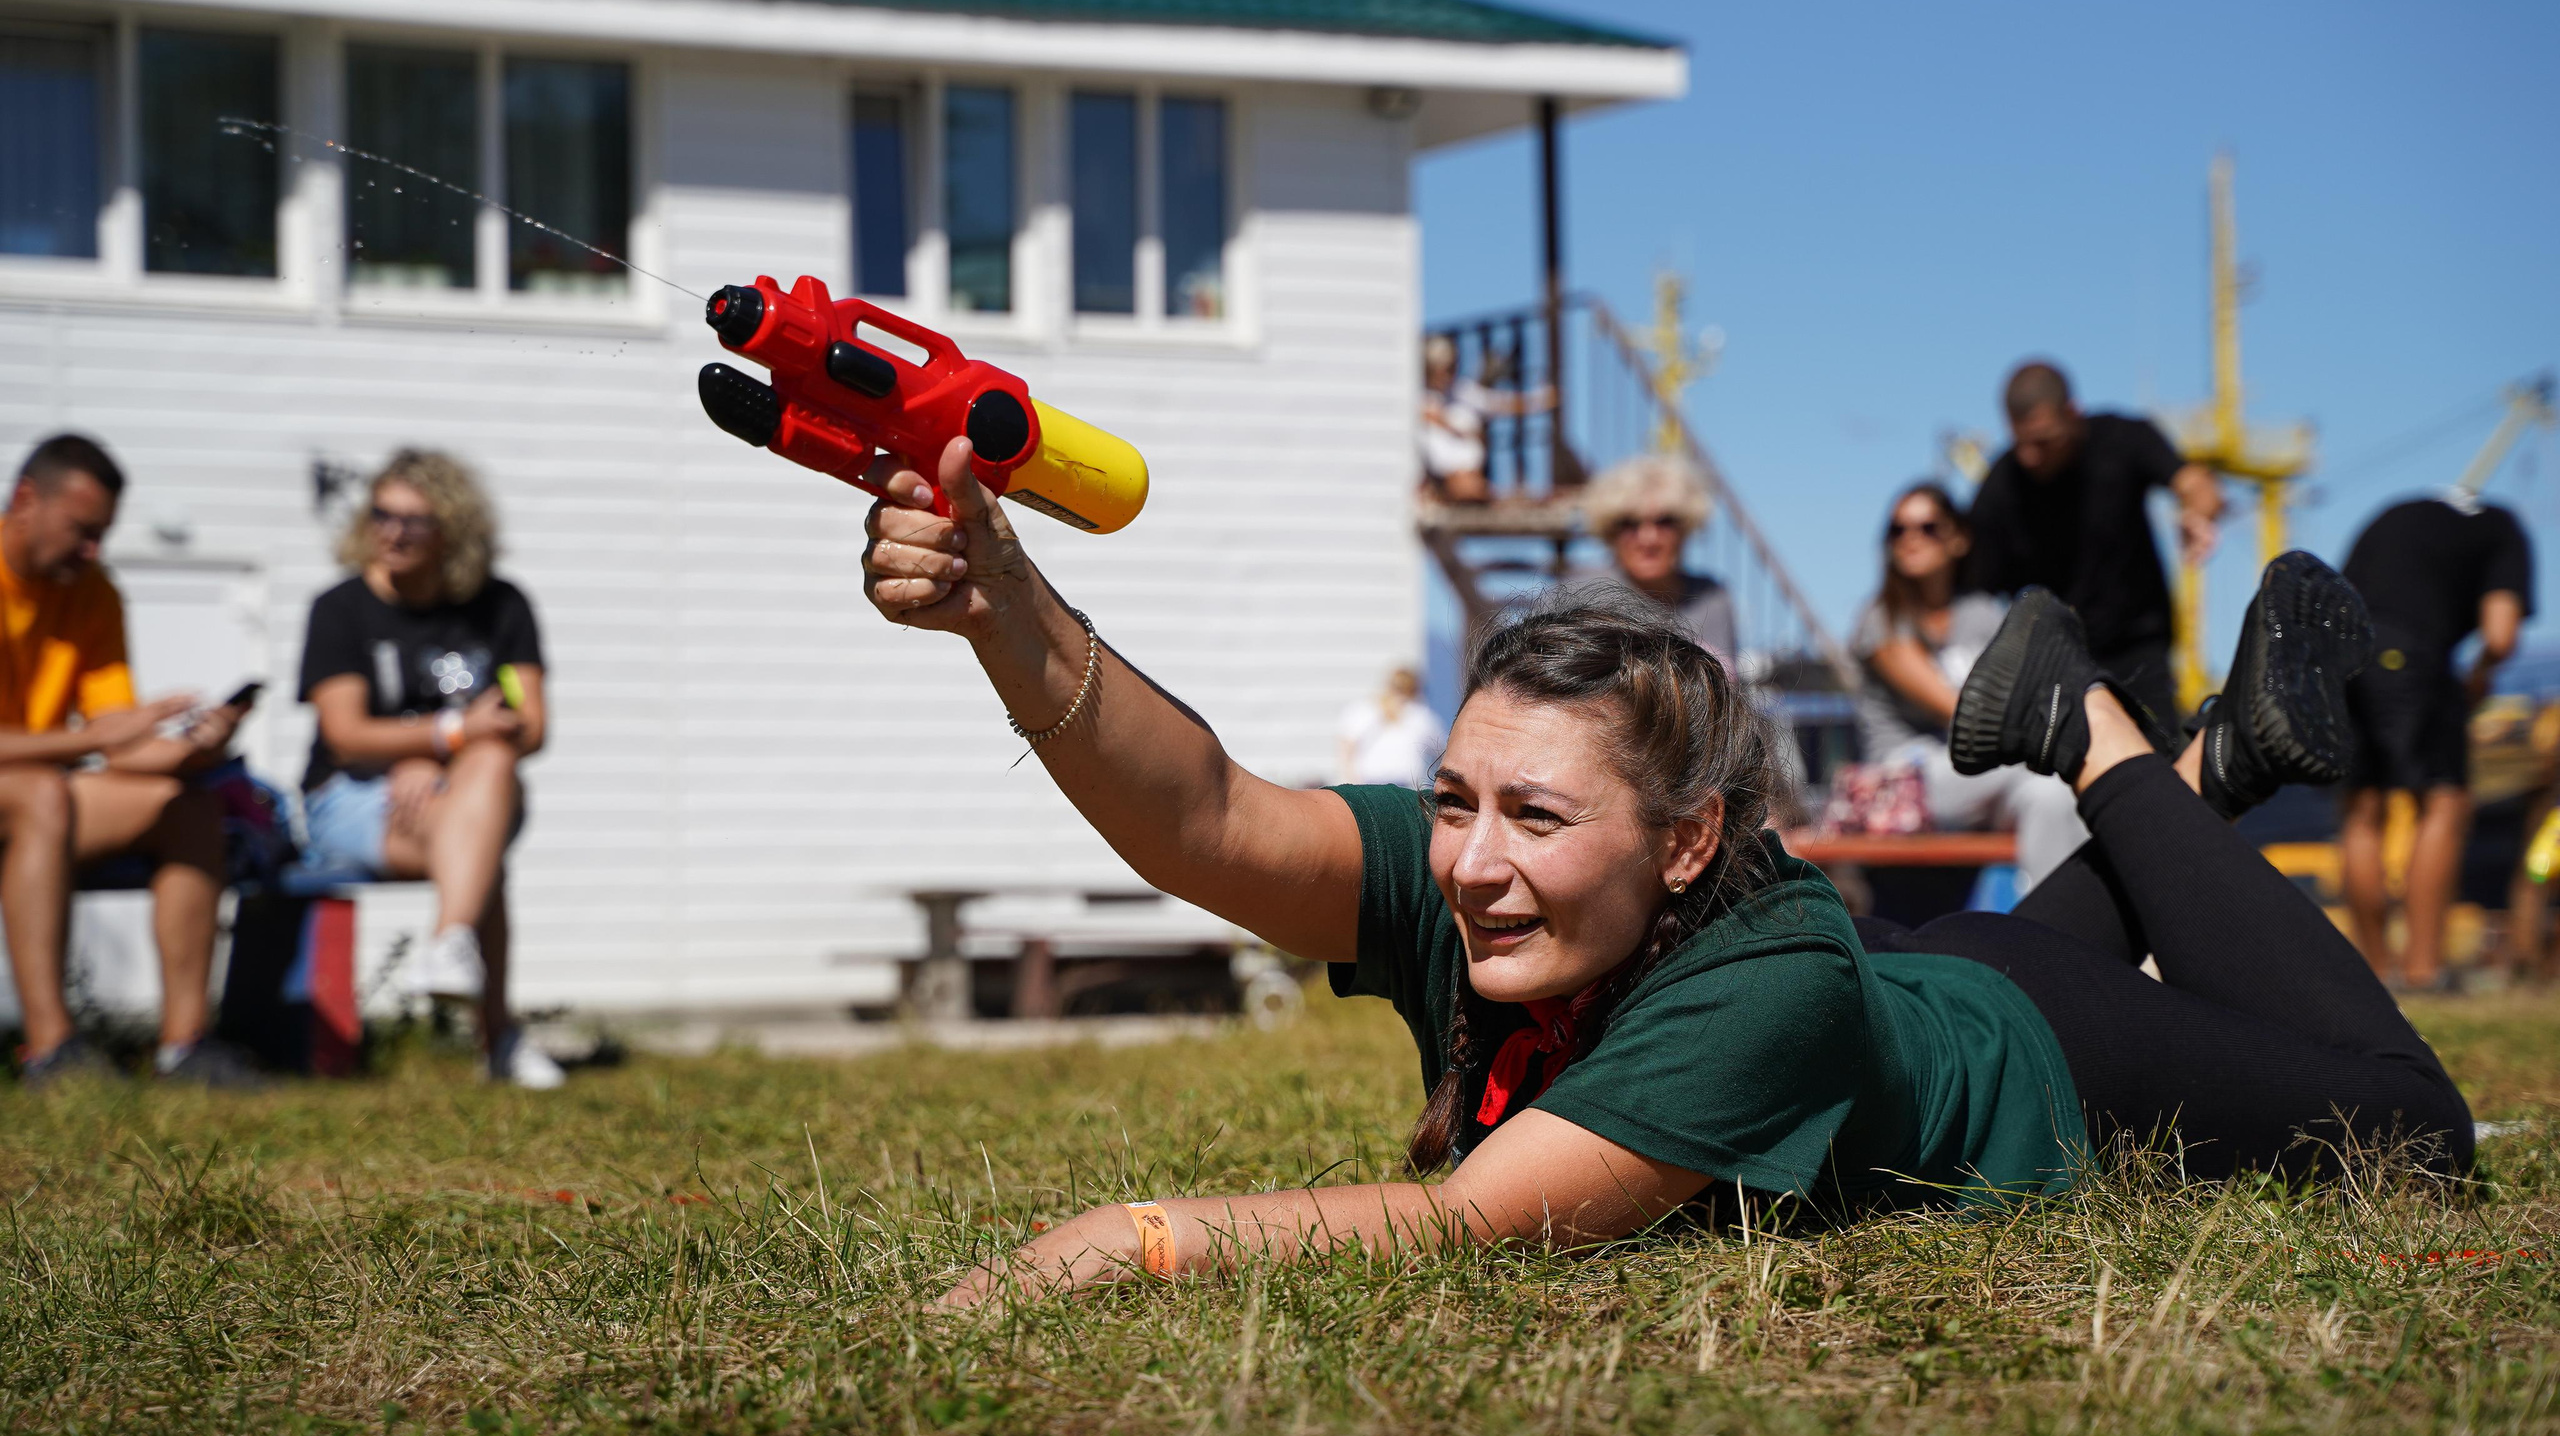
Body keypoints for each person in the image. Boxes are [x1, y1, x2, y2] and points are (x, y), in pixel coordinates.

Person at [861, 441, 2466, 1305]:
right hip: (1926, 989)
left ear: (1688, 836)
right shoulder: (1485, 871)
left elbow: (1469, 1223)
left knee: (2417, 1130)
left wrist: (1130, 1237)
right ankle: (2222, 768)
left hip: (2050, 1051)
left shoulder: (1767, 978)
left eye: (1538, 818)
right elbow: (1207, 811)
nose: (1475, 862)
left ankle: (2096, 727)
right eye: (1454, 800)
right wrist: (1006, 600)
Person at [0, 435, 264, 1088]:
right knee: (42, 792)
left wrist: (195, 747)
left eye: (102, 535)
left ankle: (184, 1046)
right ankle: (50, 1047)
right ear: (26, 499)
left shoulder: (92, 592)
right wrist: (104, 740)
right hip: (32, 794)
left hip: (36, 798)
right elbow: (101, 739)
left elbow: (119, 735)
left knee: (187, 807)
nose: (94, 550)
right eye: (82, 530)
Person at [296, 449, 561, 1088]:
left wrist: (440, 758)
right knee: (479, 848)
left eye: (414, 522)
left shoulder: (501, 606)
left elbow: (529, 725)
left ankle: (448, 947)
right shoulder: (341, 608)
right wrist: (445, 734)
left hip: (463, 791)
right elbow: (345, 735)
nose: (393, 533)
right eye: (382, 515)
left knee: (492, 767)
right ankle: (496, 1034)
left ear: (454, 530)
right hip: (351, 798)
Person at [2336, 493, 2534, 990]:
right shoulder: (2504, 528)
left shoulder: (2399, 513)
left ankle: (2376, 975)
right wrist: (2480, 677)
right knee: (2444, 802)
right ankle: (2423, 971)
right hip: (2412, 651)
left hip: (2342, 653)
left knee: (2361, 813)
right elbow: (2501, 634)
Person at [1965, 360, 2224, 732]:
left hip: (2138, 648)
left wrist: (2198, 514)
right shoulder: (2001, 487)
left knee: (2158, 764)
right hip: (2055, 662)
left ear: (2073, 414)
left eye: (2043, 441)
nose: (2030, 457)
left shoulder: (2121, 438)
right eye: (2021, 442)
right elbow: (1970, 587)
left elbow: (2194, 482)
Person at [1849, 483, 2085, 887]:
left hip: (1988, 773)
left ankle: (2052, 932)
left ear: (1958, 539)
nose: (1910, 539)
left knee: (2052, 795)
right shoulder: (1881, 619)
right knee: (2060, 767)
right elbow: (1960, 713)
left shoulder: (1983, 615)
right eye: (1897, 530)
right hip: (1906, 779)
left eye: (1927, 527)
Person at [1576, 454, 1737, 671]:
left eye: (1665, 522)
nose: (1648, 539)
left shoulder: (1712, 598)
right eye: (1629, 524)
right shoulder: (1580, 595)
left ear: (1687, 527)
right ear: (1609, 530)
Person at [1337, 666, 1446, 789]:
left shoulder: (1361, 710)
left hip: (1367, 784)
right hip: (1406, 786)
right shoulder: (1420, 715)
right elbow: (1441, 750)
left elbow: (1346, 749)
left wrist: (1350, 781)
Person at [1417, 336, 1489, 504]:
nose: (1445, 375)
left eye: (1449, 368)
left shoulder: (1462, 393)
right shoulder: (1420, 396)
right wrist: (1452, 427)